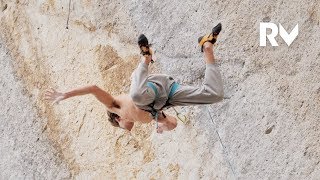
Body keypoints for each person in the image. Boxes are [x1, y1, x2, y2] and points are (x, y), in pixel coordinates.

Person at [45, 23, 224, 133]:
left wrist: (66, 95)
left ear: (117, 119)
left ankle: (146, 57)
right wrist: (164, 124)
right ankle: (207, 47)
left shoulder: (116, 106)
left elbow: (93, 88)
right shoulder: (146, 120)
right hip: (168, 93)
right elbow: (173, 122)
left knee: (138, 96)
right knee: (214, 95)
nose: (127, 131)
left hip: (150, 88)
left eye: (122, 129)